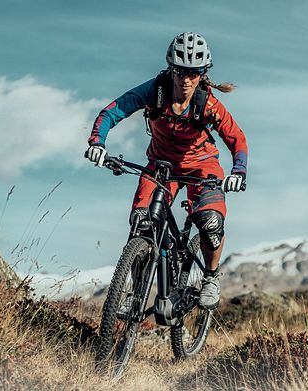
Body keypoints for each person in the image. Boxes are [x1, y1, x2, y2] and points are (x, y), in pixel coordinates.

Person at [84, 32, 249, 309]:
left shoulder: (207, 103)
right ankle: (135, 293)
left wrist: (239, 171)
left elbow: (236, 139)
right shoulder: (154, 91)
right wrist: (97, 143)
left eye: (194, 73)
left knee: (210, 222)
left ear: (202, 73)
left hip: (201, 167)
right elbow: (111, 112)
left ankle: (210, 277)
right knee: (141, 222)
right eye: (180, 71)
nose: (186, 79)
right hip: (160, 166)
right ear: (171, 68)